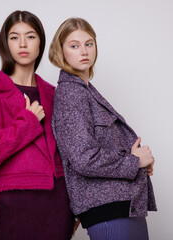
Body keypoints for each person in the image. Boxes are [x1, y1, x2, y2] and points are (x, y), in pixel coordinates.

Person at [0, 11, 74, 240]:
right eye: (14, 37)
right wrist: (27, 123)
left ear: (41, 42)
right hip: (14, 204)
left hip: (58, 205)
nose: (23, 44)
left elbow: (71, 152)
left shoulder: (53, 93)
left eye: (31, 36)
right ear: (5, 44)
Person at [49, 18, 157, 240]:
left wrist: (139, 163)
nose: (84, 51)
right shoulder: (71, 94)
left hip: (122, 205)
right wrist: (133, 161)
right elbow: (83, 158)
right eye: (74, 45)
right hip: (108, 209)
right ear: (61, 51)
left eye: (89, 43)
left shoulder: (87, 90)